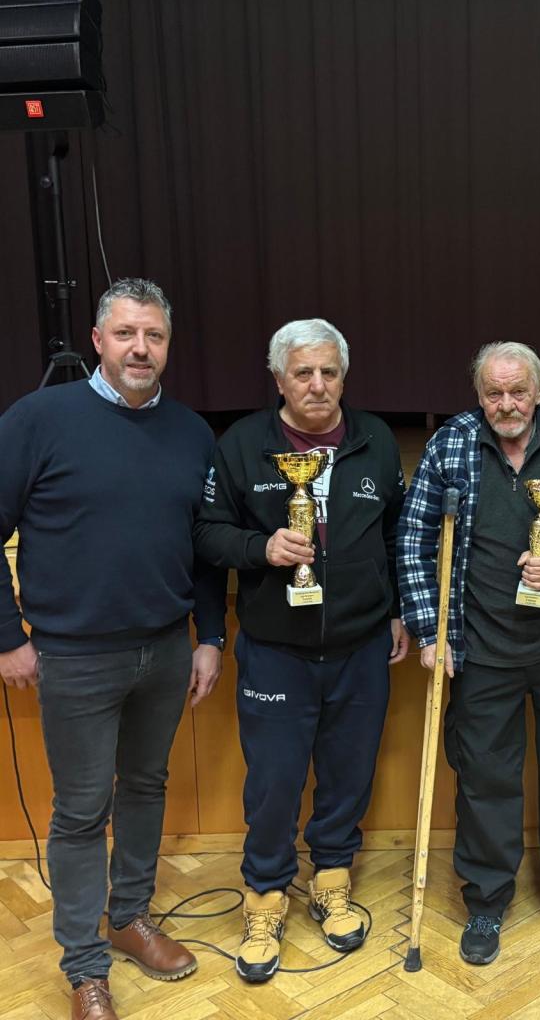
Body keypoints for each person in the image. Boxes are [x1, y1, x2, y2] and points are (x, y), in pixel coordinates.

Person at [0, 278, 226, 1020]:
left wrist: (210, 637)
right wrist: (7, 638)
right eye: (126, 333)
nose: (140, 348)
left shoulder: (191, 433)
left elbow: (203, 550)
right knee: (79, 812)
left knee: (146, 788)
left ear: (168, 345)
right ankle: (84, 967)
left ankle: (128, 918)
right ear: (98, 340)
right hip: (72, 657)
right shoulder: (37, 419)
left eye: (153, 336)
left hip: (165, 649)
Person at [398, 342, 540, 965]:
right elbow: (415, 540)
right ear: (479, 395)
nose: (506, 404)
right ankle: (486, 901)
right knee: (485, 782)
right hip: (480, 650)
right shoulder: (450, 445)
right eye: (494, 393)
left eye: (518, 391)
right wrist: (430, 632)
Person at [194, 318, 408, 983]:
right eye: (303, 373)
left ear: (344, 376)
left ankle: (332, 881)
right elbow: (206, 535)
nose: (317, 385)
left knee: (349, 775)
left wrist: (397, 611)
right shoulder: (241, 445)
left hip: (361, 647)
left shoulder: (375, 441)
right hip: (276, 650)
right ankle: (264, 898)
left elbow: (396, 535)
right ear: (279, 379)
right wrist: (261, 548)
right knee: (274, 783)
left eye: (329, 372)